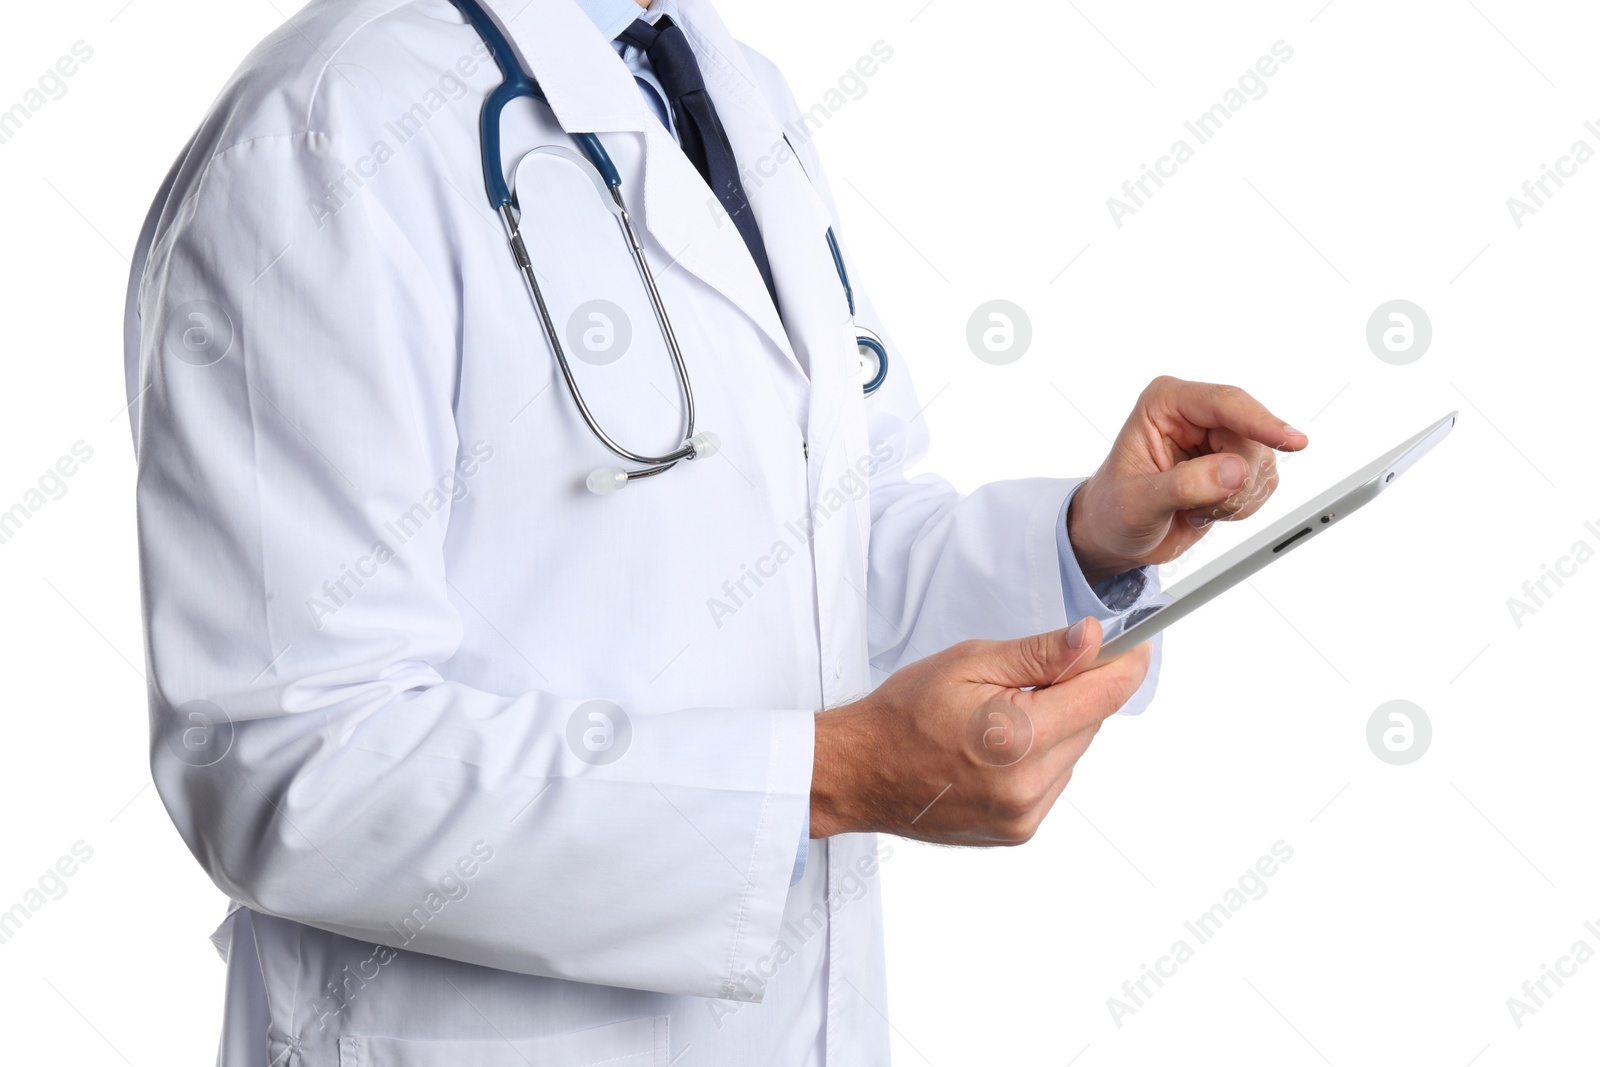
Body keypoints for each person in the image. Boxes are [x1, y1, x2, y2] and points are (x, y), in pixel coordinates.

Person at [122, 0, 1304, 1062]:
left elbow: (823, 549)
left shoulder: (724, 86)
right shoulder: (324, 136)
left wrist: (1084, 542)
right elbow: (286, 758)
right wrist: (827, 779)